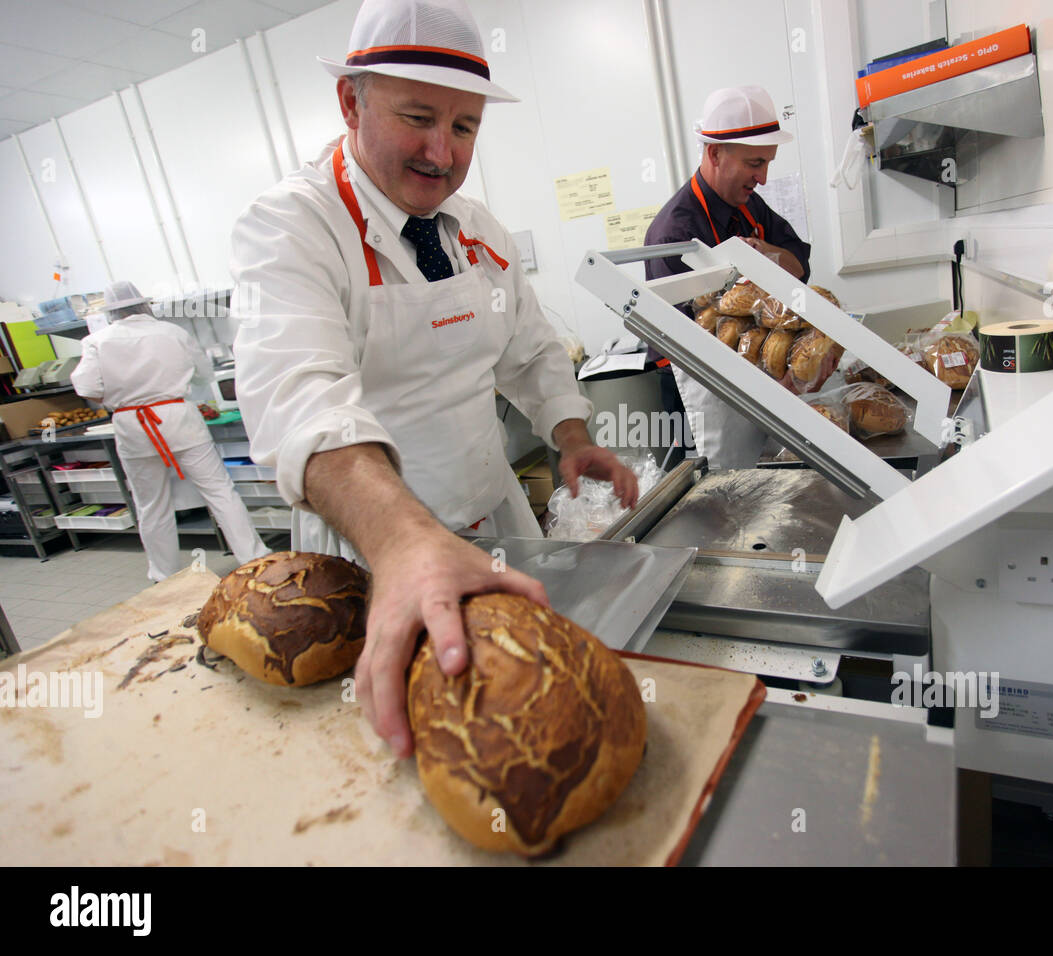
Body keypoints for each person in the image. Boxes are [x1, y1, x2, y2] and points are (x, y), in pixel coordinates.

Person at [229, 0, 637, 758]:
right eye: (418, 117)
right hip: (373, 552)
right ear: (350, 101)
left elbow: (532, 349)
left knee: (518, 725)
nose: (441, 153)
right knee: (401, 751)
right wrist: (407, 542)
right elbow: (300, 399)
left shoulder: (476, 229)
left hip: (498, 517)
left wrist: (571, 435)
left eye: (464, 127)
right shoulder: (291, 228)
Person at [643, 86, 812, 471]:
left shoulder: (749, 205)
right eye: (755, 163)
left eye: (768, 163)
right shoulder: (674, 233)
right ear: (715, 152)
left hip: (756, 380)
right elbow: (695, 342)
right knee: (712, 501)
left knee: (760, 482)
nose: (764, 178)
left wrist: (766, 254)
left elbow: (800, 262)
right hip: (699, 397)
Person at [70, 281, 270, 582]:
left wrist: (122, 393)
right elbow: (203, 373)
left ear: (112, 313)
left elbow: (86, 388)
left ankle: (164, 575)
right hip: (179, 417)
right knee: (219, 491)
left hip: (132, 423)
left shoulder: (97, 341)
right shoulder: (173, 332)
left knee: (152, 504)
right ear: (143, 304)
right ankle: (254, 557)